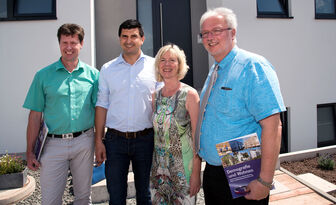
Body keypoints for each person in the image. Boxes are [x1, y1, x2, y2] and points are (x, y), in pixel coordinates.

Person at [196, 7, 286, 205]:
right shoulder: (216, 69)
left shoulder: (252, 66)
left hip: (242, 167)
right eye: (205, 33)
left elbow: (273, 126)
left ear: (233, 32)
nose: (210, 37)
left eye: (216, 30)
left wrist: (264, 181)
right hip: (214, 170)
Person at [23, 23, 99, 205]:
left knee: (83, 198)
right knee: (50, 200)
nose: (69, 47)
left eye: (73, 42)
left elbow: (99, 112)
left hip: (84, 142)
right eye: (65, 42)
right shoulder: (43, 76)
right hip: (52, 145)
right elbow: (35, 116)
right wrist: (29, 151)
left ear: (81, 44)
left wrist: (99, 142)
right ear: (59, 44)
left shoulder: (93, 75)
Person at [95, 19, 160, 205]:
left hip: (146, 140)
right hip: (115, 141)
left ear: (142, 39)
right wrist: (98, 141)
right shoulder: (107, 69)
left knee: (145, 195)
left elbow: (162, 103)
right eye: (124, 36)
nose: (129, 40)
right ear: (119, 39)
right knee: (116, 195)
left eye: (133, 36)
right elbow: (101, 105)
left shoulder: (155, 67)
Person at [150, 44, 202, 204]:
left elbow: (197, 138)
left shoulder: (190, 95)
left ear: (179, 64)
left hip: (183, 170)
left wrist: (196, 174)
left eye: (172, 60)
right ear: (158, 65)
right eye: (163, 60)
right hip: (159, 170)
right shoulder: (155, 96)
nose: (167, 64)